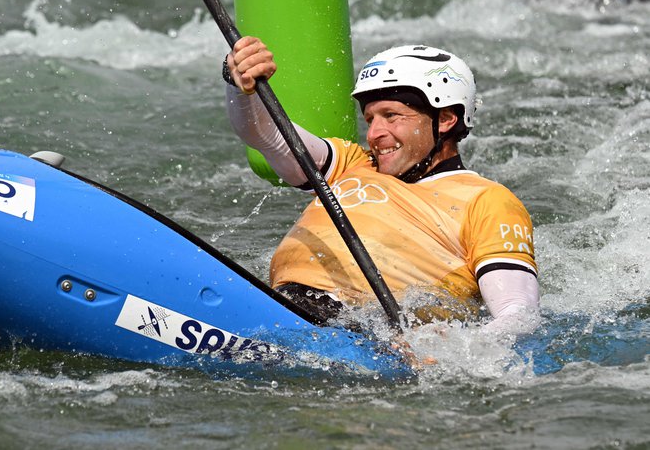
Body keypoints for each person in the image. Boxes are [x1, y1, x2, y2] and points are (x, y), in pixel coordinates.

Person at [224, 37, 539, 332]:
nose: (375, 133)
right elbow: (265, 134)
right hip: (279, 306)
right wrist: (241, 83)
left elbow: (517, 315)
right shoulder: (351, 163)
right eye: (371, 118)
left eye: (392, 116)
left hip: (361, 336)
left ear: (444, 119)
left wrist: (439, 348)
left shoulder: (488, 200)